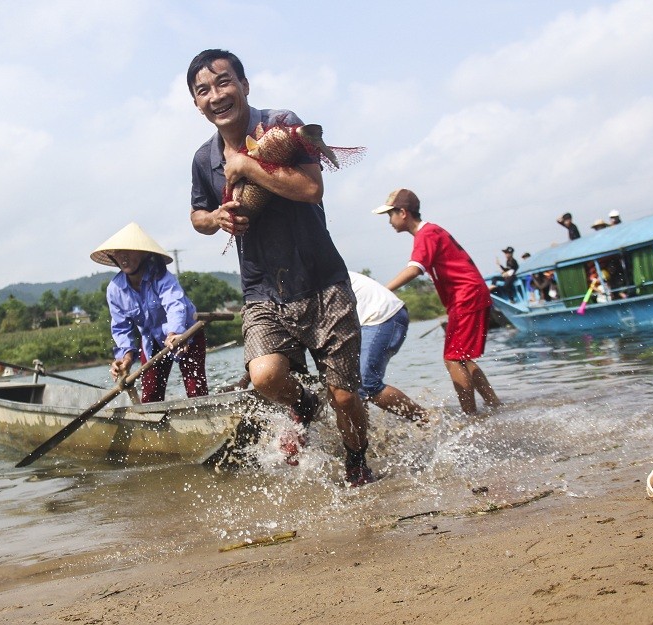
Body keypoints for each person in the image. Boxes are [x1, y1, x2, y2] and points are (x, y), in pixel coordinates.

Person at [187, 48, 374, 486]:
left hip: (321, 279)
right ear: (196, 103)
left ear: (245, 85)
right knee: (266, 377)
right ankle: (304, 403)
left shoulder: (280, 125)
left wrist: (247, 164)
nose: (216, 95)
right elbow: (197, 216)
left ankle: (357, 464)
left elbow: (311, 188)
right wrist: (216, 218)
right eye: (203, 90)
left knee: (345, 397)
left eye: (224, 82)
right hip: (262, 289)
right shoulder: (203, 159)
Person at [374, 189, 501, 415]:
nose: (389, 222)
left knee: (452, 360)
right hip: (468, 295)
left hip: (467, 296)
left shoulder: (426, 234)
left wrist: (381, 290)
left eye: (390, 215)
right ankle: (493, 404)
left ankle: (470, 416)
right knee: (461, 358)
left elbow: (414, 269)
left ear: (403, 213)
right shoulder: (431, 232)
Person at [90, 222, 208, 404]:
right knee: (150, 396)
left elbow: (175, 305)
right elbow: (121, 327)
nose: (123, 257)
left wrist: (175, 334)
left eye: (128, 251)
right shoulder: (115, 289)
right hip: (151, 341)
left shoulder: (162, 277)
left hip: (186, 334)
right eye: (119, 253)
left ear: (144, 253)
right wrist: (126, 359)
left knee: (196, 390)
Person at [348, 271, 428, 424]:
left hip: (382, 315)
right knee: (353, 384)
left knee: (367, 382)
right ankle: (365, 436)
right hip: (369, 320)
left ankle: (426, 420)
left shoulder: (308, 276)